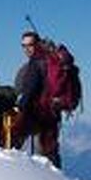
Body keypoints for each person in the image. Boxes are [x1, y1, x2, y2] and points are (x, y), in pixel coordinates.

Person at [14, 29, 62, 167]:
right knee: (49, 151)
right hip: (51, 113)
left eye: (30, 44)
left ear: (38, 44)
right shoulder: (48, 61)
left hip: (40, 114)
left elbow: (29, 90)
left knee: (43, 156)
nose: (26, 49)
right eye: (23, 45)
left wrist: (20, 106)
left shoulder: (37, 63)